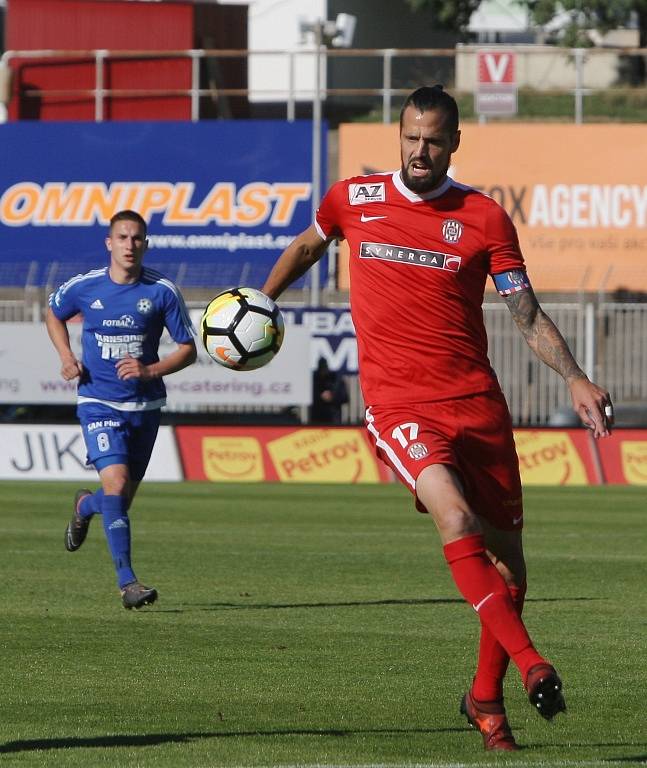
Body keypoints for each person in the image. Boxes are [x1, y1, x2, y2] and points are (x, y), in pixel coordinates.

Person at [262, 85, 613, 751]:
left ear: (454, 143)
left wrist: (573, 377)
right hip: (399, 406)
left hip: (478, 407)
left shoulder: (482, 218)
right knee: (453, 518)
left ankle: (484, 699)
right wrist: (260, 298)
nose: (420, 151)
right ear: (398, 136)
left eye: (432, 140)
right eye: (410, 138)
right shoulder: (352, 200)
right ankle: (533, 663)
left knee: (510, 571)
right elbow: (310, 245)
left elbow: (527, 314)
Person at [46, 209, 197, 610]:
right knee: (115, 487)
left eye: (137, 238)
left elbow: (187, 349)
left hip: (144, 406)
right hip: (97, 401)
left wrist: (150, 369)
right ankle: (128, 583)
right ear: (109, 243)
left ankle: (84, 506)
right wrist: (66, 356)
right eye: (123, 238)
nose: (130, 245)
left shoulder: (162, 291)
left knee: (118, 501)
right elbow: (53, 312)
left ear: (145, 244)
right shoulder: (85, 287)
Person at [310, 356, 349, 424]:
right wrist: (321, 396)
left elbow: (345, 398)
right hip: (317, 420)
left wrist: (332, 397)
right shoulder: (314, 379)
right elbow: (309, 397)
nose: (323, 373)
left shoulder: (336, 379)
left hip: (333, 419)